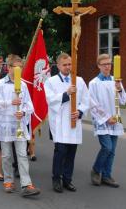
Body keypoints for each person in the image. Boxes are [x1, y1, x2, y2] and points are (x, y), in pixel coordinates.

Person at [0, 54, 40, 197]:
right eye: (17, 67)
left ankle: (26, 184)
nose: (19, 69)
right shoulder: (0, 84)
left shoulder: (23, 85)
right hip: (5, 125)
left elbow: (29, 105)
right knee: (6, 155)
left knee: (22, 154)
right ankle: (8, 181)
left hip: (19, 125)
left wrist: (24, 112)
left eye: (21, 67)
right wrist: (10, 103)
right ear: (9, 67)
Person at [44, 52, 90, 193]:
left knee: (71, 153)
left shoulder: (79, 80)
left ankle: (68, 180)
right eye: (64, 65)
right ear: (58, 65)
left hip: (73, 122)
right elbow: (50, 100)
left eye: (70, 64)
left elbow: (86, 100)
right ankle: (56, 179)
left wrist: (80, 112)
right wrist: (66, 94)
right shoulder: (51, 81)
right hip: (59, 123)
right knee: (60, 152)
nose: (68, 67)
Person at [89, 54, 126, 188]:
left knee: (112, 151)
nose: (107, 66)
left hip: (115, 120)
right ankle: (96, 170)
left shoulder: (116, 80)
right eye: (104, 64)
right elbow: (93, 104)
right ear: (99, 66)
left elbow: (123, 100)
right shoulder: (94, 83)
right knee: (107, 147)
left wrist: (120, 89)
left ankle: (106, 175)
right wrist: (106, 118)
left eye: (109, 63)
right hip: (102, 121)